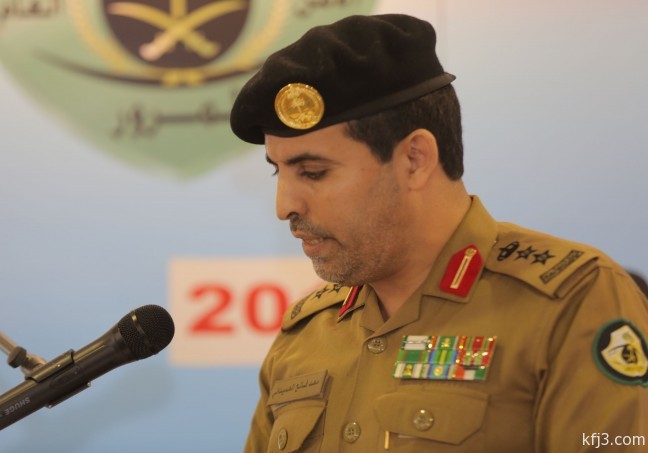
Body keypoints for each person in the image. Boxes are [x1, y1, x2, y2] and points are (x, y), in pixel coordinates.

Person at [229, 14, 648, 452]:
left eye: (313, 172)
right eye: (277, 171)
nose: (284, 206)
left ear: (415, 159)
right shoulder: (306, 333)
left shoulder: (572, 300)